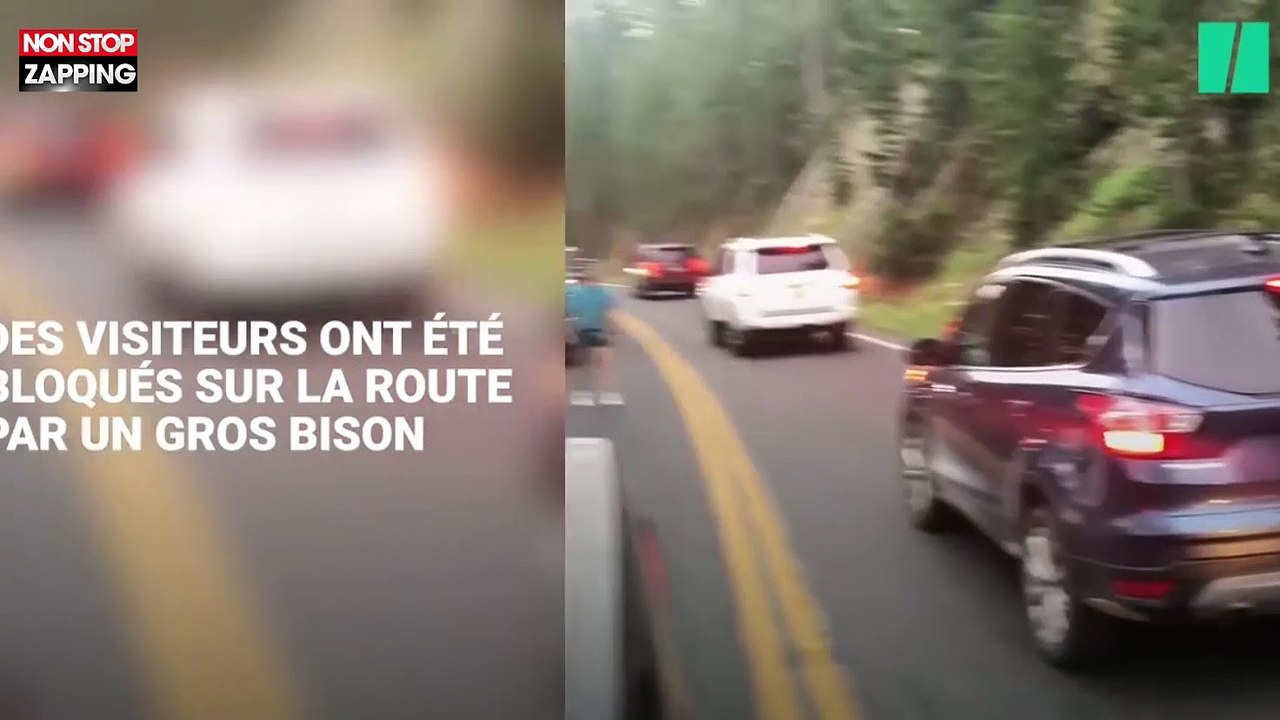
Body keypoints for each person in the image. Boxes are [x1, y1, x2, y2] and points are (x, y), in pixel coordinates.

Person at [568, 262, 623, 405]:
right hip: (600, 332)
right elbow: (611, 315)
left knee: (585, 365)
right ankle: (606, 395)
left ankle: (581, 394)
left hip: (582, 331)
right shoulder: (605, 295)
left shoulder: (575, 295)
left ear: (584, 281)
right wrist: (614, 331)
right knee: (604, 366)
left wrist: (569, 331)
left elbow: (570, 314)